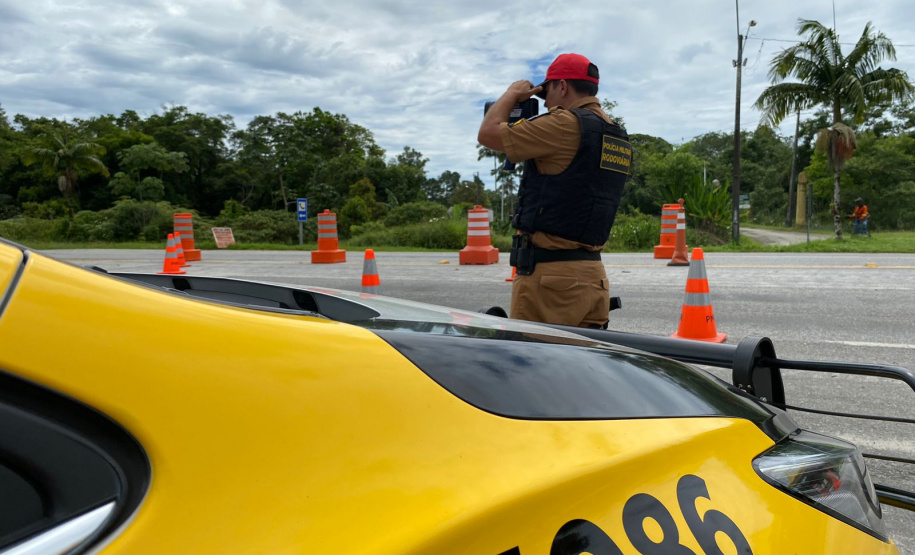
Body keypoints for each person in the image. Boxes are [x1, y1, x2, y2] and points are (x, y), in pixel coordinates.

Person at [477, 53, 630, 329]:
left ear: (562, 87)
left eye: (545, 90)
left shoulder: (562, 124)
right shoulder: (614, 134)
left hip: (552, 283)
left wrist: (512, 93)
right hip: (594, 278)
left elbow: (487, 133)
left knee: (537, 366)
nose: (544, 101)